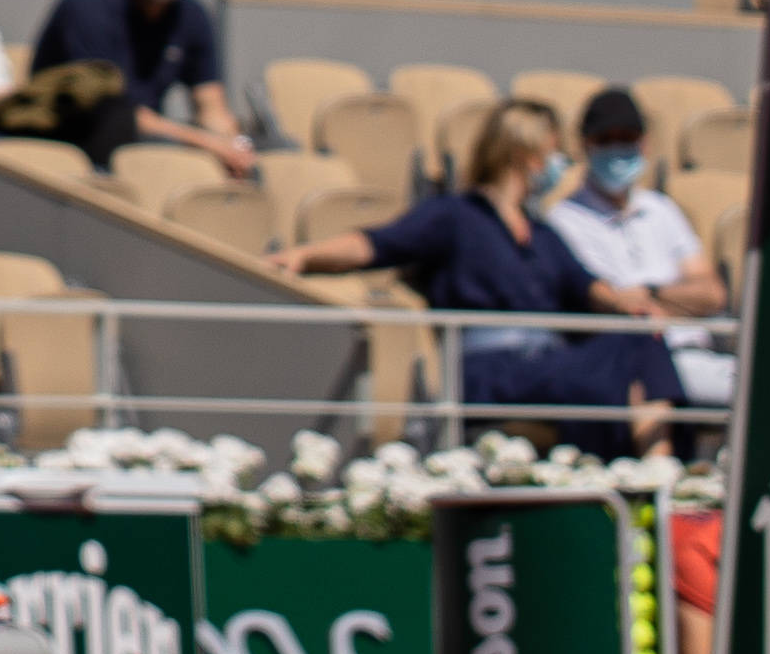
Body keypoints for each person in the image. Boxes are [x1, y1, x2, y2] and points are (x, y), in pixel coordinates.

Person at [275, 101, 678, 453]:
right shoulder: (455, 215)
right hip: (490, 370)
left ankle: (658, 475)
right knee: (595, 379)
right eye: (553, 152)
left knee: (642, 337)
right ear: (524, 154)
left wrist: (630, 304)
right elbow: (375, 245)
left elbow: (586, 285)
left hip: (547, 362)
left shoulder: (541, 232)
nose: (561, 165)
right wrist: (303, 256)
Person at [30, 0, 250, 173]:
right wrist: (205, 143)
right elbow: (113, 112)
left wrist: (231, 144)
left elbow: (211, 105)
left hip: (147, 135)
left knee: (272, 150)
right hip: (77, 135)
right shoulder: (89, 4)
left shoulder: (192, 14)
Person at [538, 90, 733, 405]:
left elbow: (712, 294)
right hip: (633, 362)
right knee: (761, 395)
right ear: (585, 145)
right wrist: (678, 299)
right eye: (605, 140)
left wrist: (651, 292)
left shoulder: (661, 209)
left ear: (645, 143)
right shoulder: (563, 221)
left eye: (627, 138)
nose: (617, 150)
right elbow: (617, 304)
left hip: (698, 353)